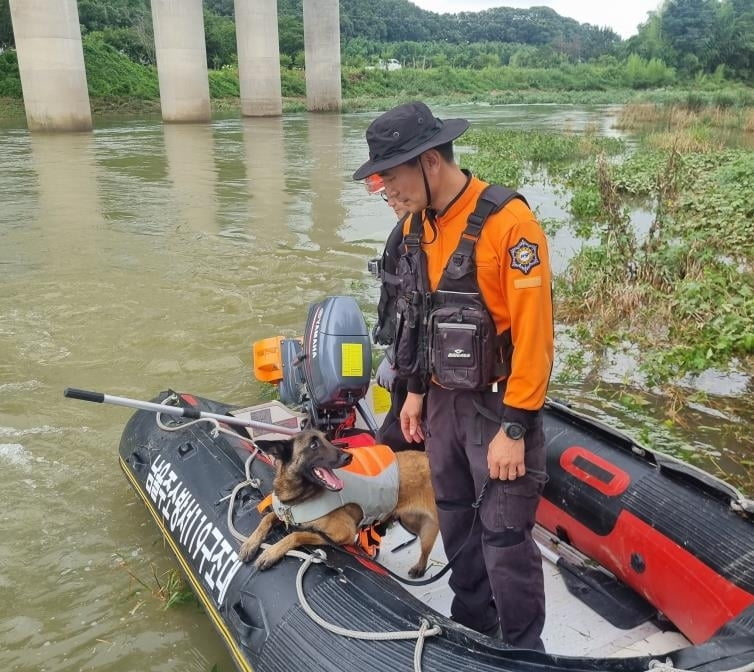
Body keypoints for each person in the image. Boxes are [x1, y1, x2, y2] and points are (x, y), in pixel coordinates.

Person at [353, 101, 553, 650]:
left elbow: (536, 338)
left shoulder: (510, 224)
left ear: (430, 162)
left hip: (497, 408)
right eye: (381, 183)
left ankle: (521, 648)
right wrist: (414, 392)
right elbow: (416, 319)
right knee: (458, 519)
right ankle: (474, 624)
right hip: (440, 403)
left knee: (506, 536)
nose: (387, 193)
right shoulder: (415, 228)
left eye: (392, 179)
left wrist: (515, 428)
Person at [364, 174, 425, 452]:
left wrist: (396, 362)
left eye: (393, 196)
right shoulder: (407, 231)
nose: (390, 204)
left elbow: (421, 312)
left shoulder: (423, 234)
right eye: (386, 196)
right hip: (407, 363)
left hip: (418, 371)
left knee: (393, 441)